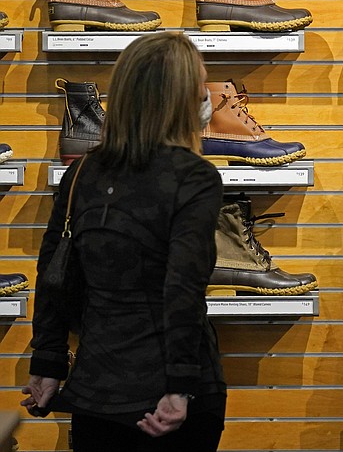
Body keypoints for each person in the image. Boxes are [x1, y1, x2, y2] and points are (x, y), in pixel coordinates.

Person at [22, 32, 226, 451]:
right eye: (200, 85)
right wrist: (181, 385)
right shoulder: (194, 176)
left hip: (97, 385)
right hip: (168, 389)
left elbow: (54, 273)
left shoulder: (82, 172)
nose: (207, 97)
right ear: (181, 98)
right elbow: (182, 288)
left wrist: (47, 360)